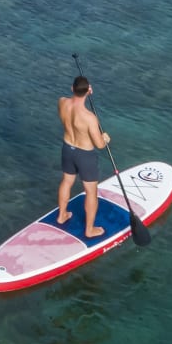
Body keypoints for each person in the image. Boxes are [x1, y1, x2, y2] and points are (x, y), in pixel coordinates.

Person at [58, 75, 111, 238]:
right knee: (91, 192)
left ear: (72, 88)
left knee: (67, 181)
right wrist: (105, 139)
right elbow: (99, 145)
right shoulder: (89, 118)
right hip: (84, 155)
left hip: (67, 148)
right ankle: (89, 230)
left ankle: (62, 215)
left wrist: (84, 91)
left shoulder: (62, 102)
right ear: (89, 91)